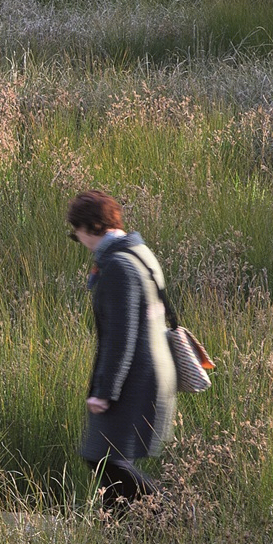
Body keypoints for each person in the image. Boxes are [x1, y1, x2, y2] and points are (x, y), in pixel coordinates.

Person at [69, 189, 176, 508]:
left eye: (76, 234)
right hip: (149, 374)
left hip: (135, 381)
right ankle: (120, 537)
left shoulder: (118, 266)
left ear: (89, 228)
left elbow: (121, 335)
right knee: (106, 462)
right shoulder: (139, 252)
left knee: (104, 460)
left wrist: (105, 391)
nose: (78, 241)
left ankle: (174, 515)